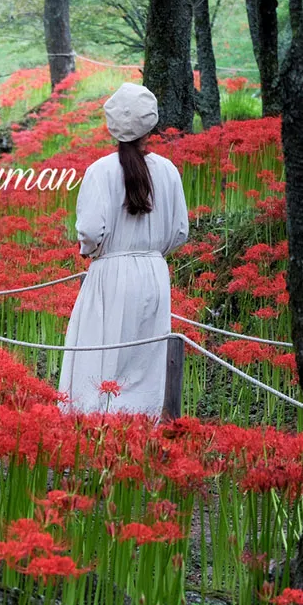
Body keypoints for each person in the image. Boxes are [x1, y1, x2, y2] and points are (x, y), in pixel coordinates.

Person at [58, 83, 190, 416]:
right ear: (151, 125)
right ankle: (144, 417)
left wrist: (92, 250)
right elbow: (180, 231)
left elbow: (89, 231)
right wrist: (152, 252)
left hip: (111, 272)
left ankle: (97, 418)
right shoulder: (168, 171)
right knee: (146, 353)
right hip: (154, 272)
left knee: (104, 347)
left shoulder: (100, 172)